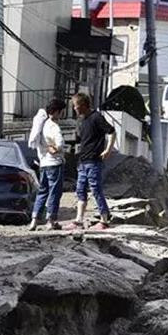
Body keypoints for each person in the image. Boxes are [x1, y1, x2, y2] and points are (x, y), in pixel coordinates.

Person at [66, 92, 116, 231]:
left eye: (75, 106)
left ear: (82, 105)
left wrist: (108, 150)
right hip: (83, 161)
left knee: (96, 190)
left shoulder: (96, 117)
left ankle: (104, 220)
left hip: (94, 161)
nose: (74, 109)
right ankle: (78, 220)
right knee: (80, 190)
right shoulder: (82, 121)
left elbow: (111, 131)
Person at [27, 98, 66, 231]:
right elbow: (59, 144)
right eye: (61, 112)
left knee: (42, 191)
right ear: (56, 112)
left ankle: (34, 220)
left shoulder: (40, 125)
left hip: (43, 164)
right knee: (54, 192)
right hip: (54, 163)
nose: (61, 115)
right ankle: (51, 220)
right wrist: (56, 149)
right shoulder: (53, 126)